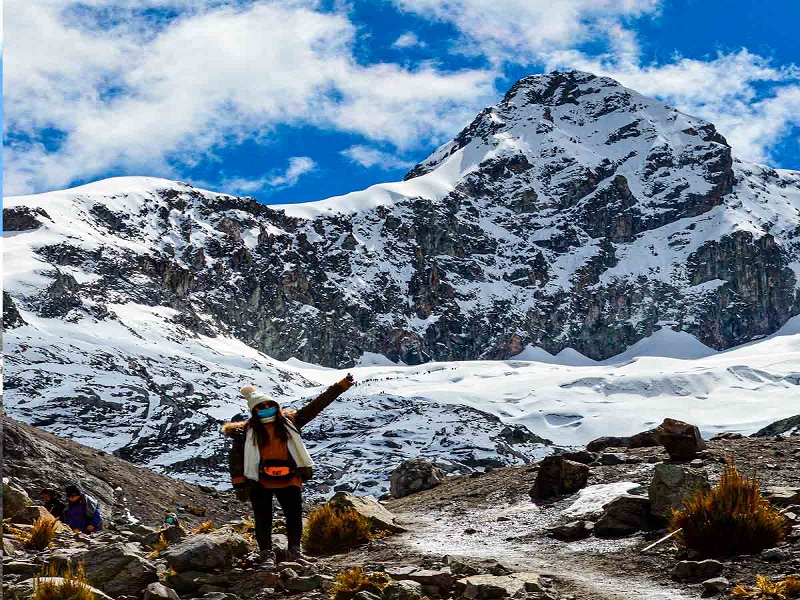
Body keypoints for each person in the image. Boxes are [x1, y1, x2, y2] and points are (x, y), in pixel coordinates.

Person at [222, 373, 355, 562]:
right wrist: (239, 484)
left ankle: (295, 551)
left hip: (290, 476)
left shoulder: (291, 422)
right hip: (258, 480)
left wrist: (342, 385)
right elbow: (236, 459)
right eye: (261, 407)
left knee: (293, 516)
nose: (266, 408)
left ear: (276, 405)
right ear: (254, 410)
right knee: (263, 518)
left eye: (269, 404)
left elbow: (318, 405)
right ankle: (266, 554)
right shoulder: (244, 432)